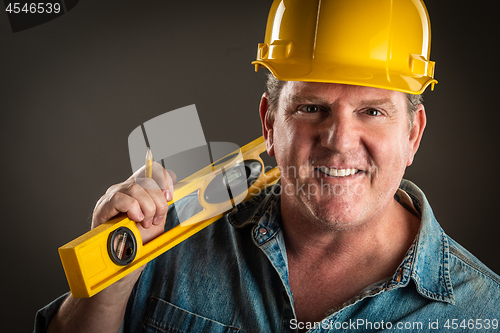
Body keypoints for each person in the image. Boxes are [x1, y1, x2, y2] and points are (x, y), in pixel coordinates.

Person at [35, 0, 500, 332]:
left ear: (413, 132)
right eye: (311, 108)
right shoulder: (168, 236)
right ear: (269, 124)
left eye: (372, 111)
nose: (338, 142)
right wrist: (108, 288)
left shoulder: (483, 311)